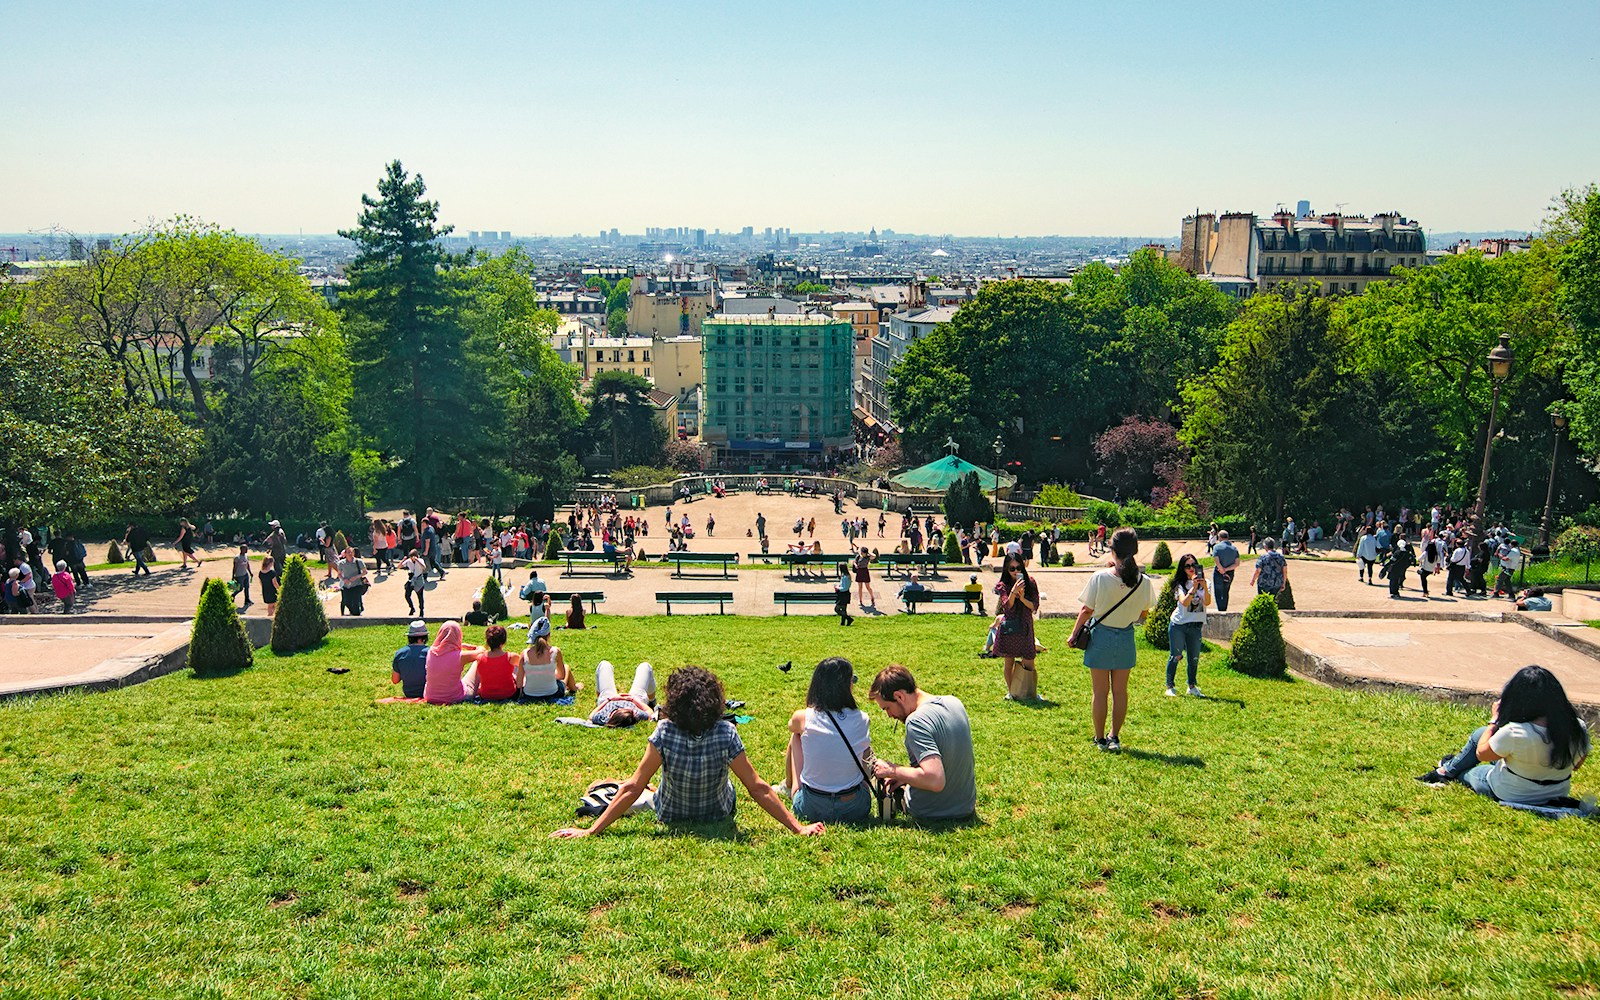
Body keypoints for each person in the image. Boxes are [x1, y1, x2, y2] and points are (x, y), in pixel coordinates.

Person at [553, 665, 824, 838]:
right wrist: (798, 828)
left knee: (645, 789)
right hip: (718, 811)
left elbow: (634, 786)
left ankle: (609, 786)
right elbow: (758, 788)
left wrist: (591, 830)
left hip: (671, 811)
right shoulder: (726, 733)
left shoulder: (665, 732)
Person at [1415, 665, 1589, 806]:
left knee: (1470, 771)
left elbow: (1481, 754)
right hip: (1556, 792)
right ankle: (1447, 768)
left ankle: (1448, 770)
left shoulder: (1516, 731)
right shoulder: (1578, 727)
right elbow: (1576, 765)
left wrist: (1494, 721)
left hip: (1512, 792)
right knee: (1481, 734)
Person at [1071, 528, 1157, 752]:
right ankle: (1114, 737)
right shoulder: (1144, 581)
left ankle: (1099, 739)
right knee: (1121, 692)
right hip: (1126, 636)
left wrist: (1074, 634)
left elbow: (1086, 610)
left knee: (1100, 693)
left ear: (1112, 550)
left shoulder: (1100, 577)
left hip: (1101, 636)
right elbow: (1143, 614)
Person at [867, 665, 976, 821]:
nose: (889, 715)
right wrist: (906, 776)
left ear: (899, 696)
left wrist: (892, 770)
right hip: (965, 806)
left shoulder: (916, 721)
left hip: (931, 811)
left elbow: (935, 780)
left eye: (887, 708)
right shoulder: (954, 702)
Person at [778, 657, 873, 824]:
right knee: (863, 746)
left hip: (811, 807)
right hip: (856, 807)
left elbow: (791, 726)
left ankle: (788, 785)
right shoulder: (863, 718)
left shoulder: (803, 717)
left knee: (796, 736)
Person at [1164, 553, 1210, 697]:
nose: (1191, 568)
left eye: (1193, 565)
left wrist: (1204, 588)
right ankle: (1170, 686)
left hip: (1195, 625)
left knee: (1194, 657)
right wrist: (1193, 588)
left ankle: (1192, 686)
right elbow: (1184, 602)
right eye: (1187, 566)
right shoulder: (1180, 585)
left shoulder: (1206, 583)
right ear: (1182, 569)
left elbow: (1207, 602)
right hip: (1179, 624)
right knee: (1176, 655)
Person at [995, 553, 1041, 700]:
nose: (1015, 571)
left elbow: (1034, 606)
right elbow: (1007, 606)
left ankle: (1030, 692)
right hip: (1010, 627)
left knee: (1029, 661)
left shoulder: (1031, 582)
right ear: (1006, 569)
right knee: (1009, 662)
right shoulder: (1003, 585)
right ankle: (1012, 692)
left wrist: (1022, 597)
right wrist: (1013, 593)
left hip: (1025, 626)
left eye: (1018, 567)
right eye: (1012, 568)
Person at [422, 621, 483, 705]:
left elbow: (445, 650)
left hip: (430, 697)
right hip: (455, 698)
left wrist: (461, 645)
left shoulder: (431, 652)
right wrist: (473, 647)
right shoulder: (460, 656)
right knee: (479, 660)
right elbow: (481, 652)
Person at [517, 616, 578, 699]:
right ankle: (574, 688)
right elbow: (561, 676)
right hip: (552, 693)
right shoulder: (555, 651)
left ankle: (574, 687)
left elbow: (519, 684)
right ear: (549, 634)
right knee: (566, 667)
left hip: (529, 695)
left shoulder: (524, 654)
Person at [588, 660, 656, 726]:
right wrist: (633, 699)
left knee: (604, 665)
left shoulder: (603, 716)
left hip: (608, 699)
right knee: (645, 667)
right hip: (635, 700)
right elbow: (650, 713)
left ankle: (600, 696)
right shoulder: (635, 713)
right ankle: (652, 701)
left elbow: (591, 716)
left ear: (612, 714)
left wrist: (609, 700)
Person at [468, 625, 520, 702]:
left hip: (486, 695)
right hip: (509, 694)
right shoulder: (511, 657)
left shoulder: (480, 658)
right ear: (503, 641)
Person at [390, 620, 430, 699]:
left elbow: (395, 680)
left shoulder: (400, 653)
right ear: (425, 637)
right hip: (428, 692)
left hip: (409, 693)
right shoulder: (431, 653)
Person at [1211, 530, 1239, 612]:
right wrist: (1226, 569)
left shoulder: (1216, 547)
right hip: (1230, 572)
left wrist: (1222, 569)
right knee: (1226, 591)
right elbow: (1237, 563)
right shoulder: (1234, 548)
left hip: (1219, 572)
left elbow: (1216, 560)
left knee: (1218, 592)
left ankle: (1220, 609)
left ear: (1220, 537)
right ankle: (1224, 608)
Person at [337, 546, 368, 616]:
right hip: (346, 585)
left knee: (356, 601)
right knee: (346, 601)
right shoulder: (341, 563)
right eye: (348, 552)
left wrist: (356, 577)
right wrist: (344, 579)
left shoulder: (358, 561)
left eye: (351, 552)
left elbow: (365, 572)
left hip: (357, 585)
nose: (350, 554)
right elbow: (339, 574)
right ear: (345, 554)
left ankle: (357, 614)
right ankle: (351, 612)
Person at [400, 548, 428, 617]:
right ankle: (412, 608)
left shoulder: (421, 560)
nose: (412, 559)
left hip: (419, 579)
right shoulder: (408, 561)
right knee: (407, 595)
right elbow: (399, 567)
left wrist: (417, 561)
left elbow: (424, 567)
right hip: (411, 579)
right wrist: (403, 560)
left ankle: (421, 611)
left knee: (420, 597)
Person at [832, 562, 856, 626]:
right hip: (845, 594)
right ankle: (842, 623)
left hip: (843, 595)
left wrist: (838, 588)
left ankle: (849, 619)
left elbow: (844, 588)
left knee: (837, 609)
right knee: (844, 609)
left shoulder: (845, 577)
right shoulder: (845, 576)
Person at [232, 544, 254, 610]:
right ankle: (233, 595)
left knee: (247, 587)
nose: (247, 550)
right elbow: (234, 567)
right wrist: (233, 576)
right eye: (246, 549)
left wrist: (250, 573)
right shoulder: (237, 558)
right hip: (239, 575)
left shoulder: (246, 556)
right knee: (240, 588)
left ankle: (247, 600)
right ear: (242, 549)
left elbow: (247, 565)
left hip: (245, 574)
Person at [259, 554, 280, 618]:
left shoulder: (261, 572)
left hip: (265, 590)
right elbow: (274, 583)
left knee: (270, 605)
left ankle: (270, 615)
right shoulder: (272, 572)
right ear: (270, 563)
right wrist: (279, 589)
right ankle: (271, 616)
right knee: (275, 604)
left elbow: (260, 582)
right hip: (272, 591)